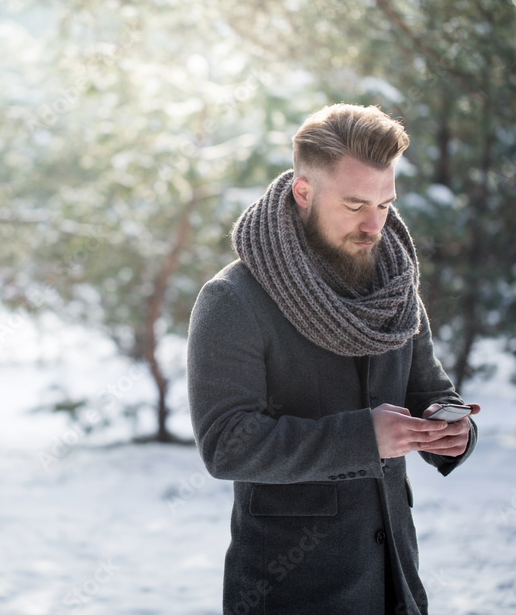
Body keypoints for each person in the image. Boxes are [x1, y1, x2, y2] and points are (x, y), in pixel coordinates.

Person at [186, 103, 480, 615]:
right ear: (304, 192)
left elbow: (430, 391)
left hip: (396, 587)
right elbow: (226, 445)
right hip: (289, 594)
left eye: (385, 204)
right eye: (354, 205)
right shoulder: (233, 299)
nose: (374, 225)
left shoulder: (395, 285)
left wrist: (451, 431)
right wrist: (363, 438)